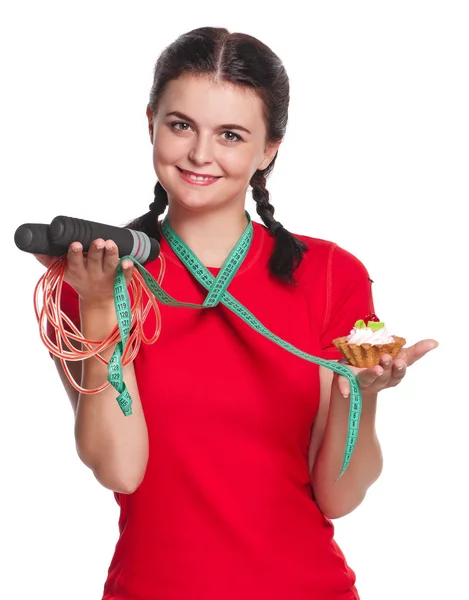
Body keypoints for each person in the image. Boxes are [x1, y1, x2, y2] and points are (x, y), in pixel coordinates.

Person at [36, 26, 438, 600]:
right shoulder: (88, 280)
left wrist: (361, 394)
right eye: (181, 126)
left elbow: (340, 498)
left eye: (230, 134)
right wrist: (99, 305)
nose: (201, 154)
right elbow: (119, 470)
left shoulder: (329, 275)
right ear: (150, 121)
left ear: (269, 149)